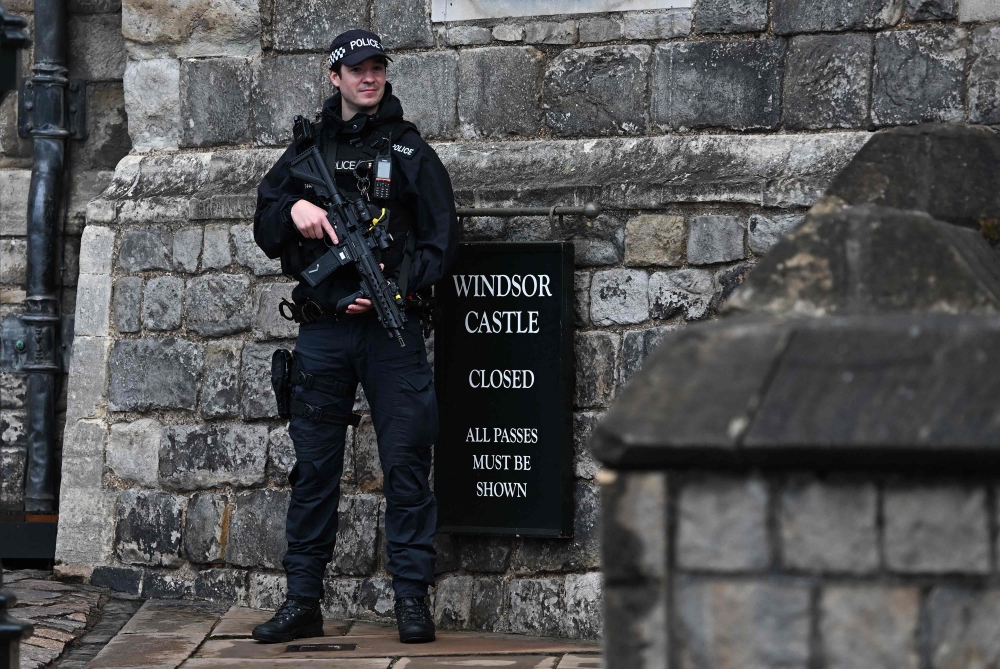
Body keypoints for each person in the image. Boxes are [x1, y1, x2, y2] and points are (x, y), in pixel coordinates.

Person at [251, 28, 459, 645]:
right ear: (334, 77)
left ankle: (411, 602)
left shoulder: (411, 149)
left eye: (377, 68)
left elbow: (441, 241)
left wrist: (395, 288)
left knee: (405, 467)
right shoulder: (305, 153)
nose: (369, 78)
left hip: (390, 335)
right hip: (323, 334)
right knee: (314, 469)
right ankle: (302, 600)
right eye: (356, 69)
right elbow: (264, 224)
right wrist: (294, 211)